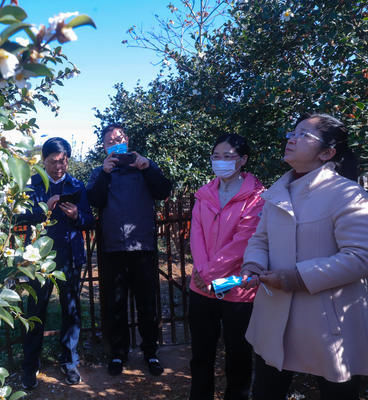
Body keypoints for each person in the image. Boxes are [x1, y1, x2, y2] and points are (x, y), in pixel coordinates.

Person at [240, 113, 368, 399]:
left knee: (337, 393)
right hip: (274, 313)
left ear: (327, 152)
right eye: (292, 133)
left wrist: (295, 278)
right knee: (266, 390)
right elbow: (260, 239)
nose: (292, 139)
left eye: (303, 135)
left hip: (326, 318)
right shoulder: (277, 192)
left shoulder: (347, 195)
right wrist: (252, 264)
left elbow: (360, 257)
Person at [86, 123, 172, 377]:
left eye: (120, 137)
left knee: (147, 304)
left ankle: (150, 353)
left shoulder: (144, 165)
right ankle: (118, 354)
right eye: (110, 140)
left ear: (127, 139)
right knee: (116, 304)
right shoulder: (99, 172)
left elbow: (163, 190)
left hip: (142, 245)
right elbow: (94, 200)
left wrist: (148, 168)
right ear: (104, 146)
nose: (116, 142)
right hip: (113, 247)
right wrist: (104, 173)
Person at [188, 134, 265, 400]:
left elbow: (243, 242)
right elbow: (195, 234)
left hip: (237, 288)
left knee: (238, 354)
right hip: (201, 288)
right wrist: (201, 271)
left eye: (228, 156)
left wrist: (208, 274)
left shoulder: (256, 198)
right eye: (216, 156)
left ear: (242, 160)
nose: (220, 162)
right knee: (201, 354)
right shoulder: (205, 194)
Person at [19, 137, 94, 389]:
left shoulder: (76, 185)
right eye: (53, 162)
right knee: (35, 312)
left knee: (70, 311)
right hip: (39, 259)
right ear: (44, 161)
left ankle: (69, 361)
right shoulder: (33, 185)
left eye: (63, 162)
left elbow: (88, 220)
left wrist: (76, 215)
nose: (59, 167)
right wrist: (44, 210)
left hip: (69, 257)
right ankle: (30, 365)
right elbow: (20, 215)